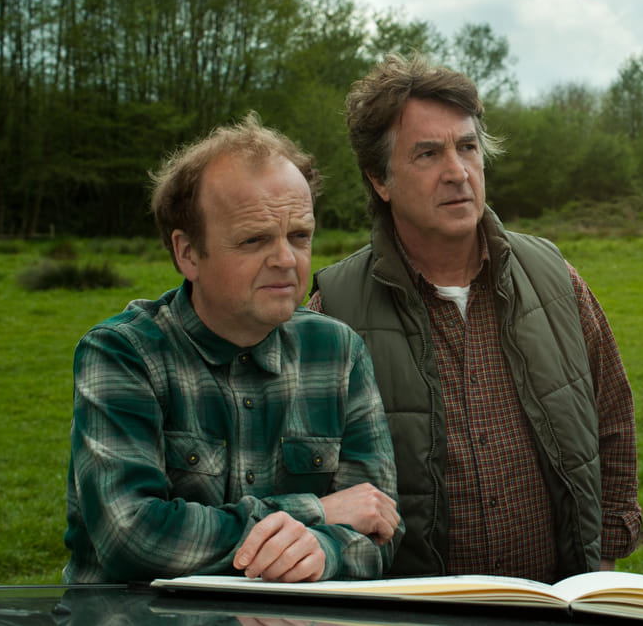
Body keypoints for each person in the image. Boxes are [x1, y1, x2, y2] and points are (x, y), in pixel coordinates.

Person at [310, 53, 641, 582]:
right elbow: (308, 483)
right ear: (380, 179)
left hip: (556, 602)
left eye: (467, 147)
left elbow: (613, 419)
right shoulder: (333, 311)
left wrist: (600, 561)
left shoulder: (555, 280)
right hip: (412, 613)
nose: (457, 172)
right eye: (428, 153)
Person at [64, 114, 403, 584]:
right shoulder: (123, 354)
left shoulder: (338, 352)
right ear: (187, 253)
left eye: (299, 236)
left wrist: (324, 553)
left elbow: (380, 527)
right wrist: (318, 512)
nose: (285, 259)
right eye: (254, 239)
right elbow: (133, 536)